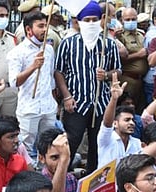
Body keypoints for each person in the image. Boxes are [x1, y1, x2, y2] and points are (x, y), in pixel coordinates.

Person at [55, 0, 121, 173]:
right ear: (79, 21)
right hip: (76, 103)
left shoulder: (109, 44)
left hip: (101, 104)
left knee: (97, 144)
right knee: (72, 141)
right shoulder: (68, 44)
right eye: (87, 20)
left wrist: (106, 75)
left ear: (101, 20)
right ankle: (63, 176)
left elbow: (118, 70)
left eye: (94, 19)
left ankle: (93, 179)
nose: (91, 24)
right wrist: (67, 96)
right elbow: (59, 72)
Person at [7, 12, 57, 157]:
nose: (45, 30)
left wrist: (53, 101)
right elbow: (14, 82)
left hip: (48, 107)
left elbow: (50, 77)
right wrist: (33, 66)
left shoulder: (48, 49)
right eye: (40, 26)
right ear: (29, 30)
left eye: (46, 26)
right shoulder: (17, 52)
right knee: (26, 147)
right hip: (29, 108)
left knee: (49, 145)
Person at [117, 7, 149, 113]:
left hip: (141, 81)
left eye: (133, 19)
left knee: (138, 110)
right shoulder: (119, 36)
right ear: (122, 20)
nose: (131, 22)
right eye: (127, 19)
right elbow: (118, 60)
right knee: (125, 110)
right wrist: (138, 55)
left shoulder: (141, 35)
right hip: (127, 79)